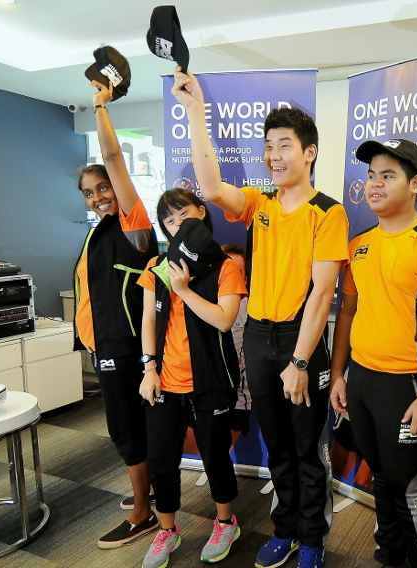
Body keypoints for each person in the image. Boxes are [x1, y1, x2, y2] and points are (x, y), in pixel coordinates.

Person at [171, 68, 349, 568]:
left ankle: (313, 538)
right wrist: (194, 111)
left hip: (299, 340)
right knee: (276, 444)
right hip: (259, 339)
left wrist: (299, 359)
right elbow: (208, 186)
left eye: (285, 144)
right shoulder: (260, 204)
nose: (273, 154)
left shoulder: (328, 213)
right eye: (268, 145)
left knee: (308, 449)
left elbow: (322, 292)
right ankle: (286, 530)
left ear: (309, 152)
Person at [330, 139, 417, 568]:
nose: (374, 184)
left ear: (415, 184)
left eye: (388, 175)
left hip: (408, 384)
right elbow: (348, 312)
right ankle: (390, 556)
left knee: (407, 486)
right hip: (363, 380)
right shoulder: (359, 244)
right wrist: (339, 375)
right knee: (382, 481)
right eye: (371, 175)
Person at [137, 189, 246, 568]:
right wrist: (149, 369)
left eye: (182, 214)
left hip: (210, 383)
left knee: (215, 457)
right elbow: (149, 320)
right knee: (161, 459)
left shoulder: (224, 266)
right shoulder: (157, 266)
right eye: (168, 220)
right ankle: (167, 530)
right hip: (164, 382)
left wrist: (183, 289)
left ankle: (225, 522)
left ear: (201, 213)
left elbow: (223, 319)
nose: (176, 224)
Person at [73, 81, 159, 549]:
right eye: (88, 192)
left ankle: (144, 512)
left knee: (125, 426)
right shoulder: (98, 232)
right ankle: (145, 489)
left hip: (126, 346)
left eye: (102, 187)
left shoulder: (134, 223)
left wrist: (99, 107)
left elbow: (114, 159)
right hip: (104, 344)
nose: (98, 196)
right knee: (125, 424)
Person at [221, 243, 252, 438]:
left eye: (237, 272)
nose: (230, 278)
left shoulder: (253, 311)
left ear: (245, 279)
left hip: (237, 400)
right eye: (226, 270)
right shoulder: (197, 304)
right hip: (201, 395)